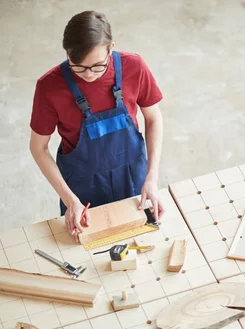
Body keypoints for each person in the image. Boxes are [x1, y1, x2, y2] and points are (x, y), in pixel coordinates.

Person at [29, 10, 164, 238]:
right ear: (67, 53)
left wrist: (151, 177)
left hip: (133, 179)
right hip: (82, 190)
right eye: (78, 66)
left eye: (97, 66)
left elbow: (153, 118)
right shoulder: (49, 87)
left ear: (111, 48)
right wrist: (70, 200)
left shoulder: (134, 67)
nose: (88, 75)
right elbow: (38, 148)